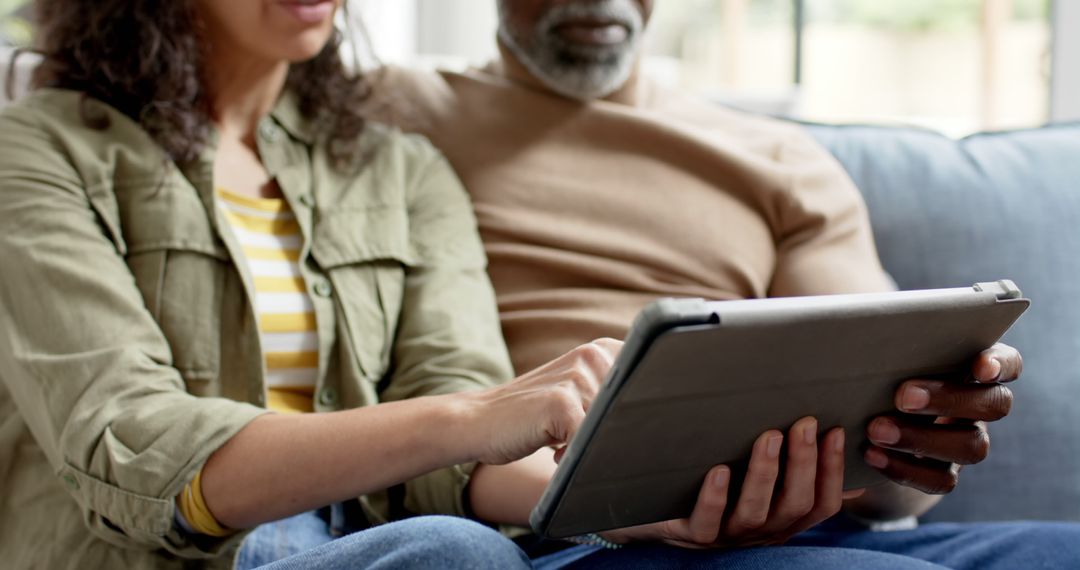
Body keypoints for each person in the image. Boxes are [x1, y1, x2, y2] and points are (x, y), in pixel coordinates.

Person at [366, 0, 1080, 567]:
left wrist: (920, 428)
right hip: (570, 527)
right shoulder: (381, 115)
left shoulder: (777, 159)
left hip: (809, 526)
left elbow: (885, 485)